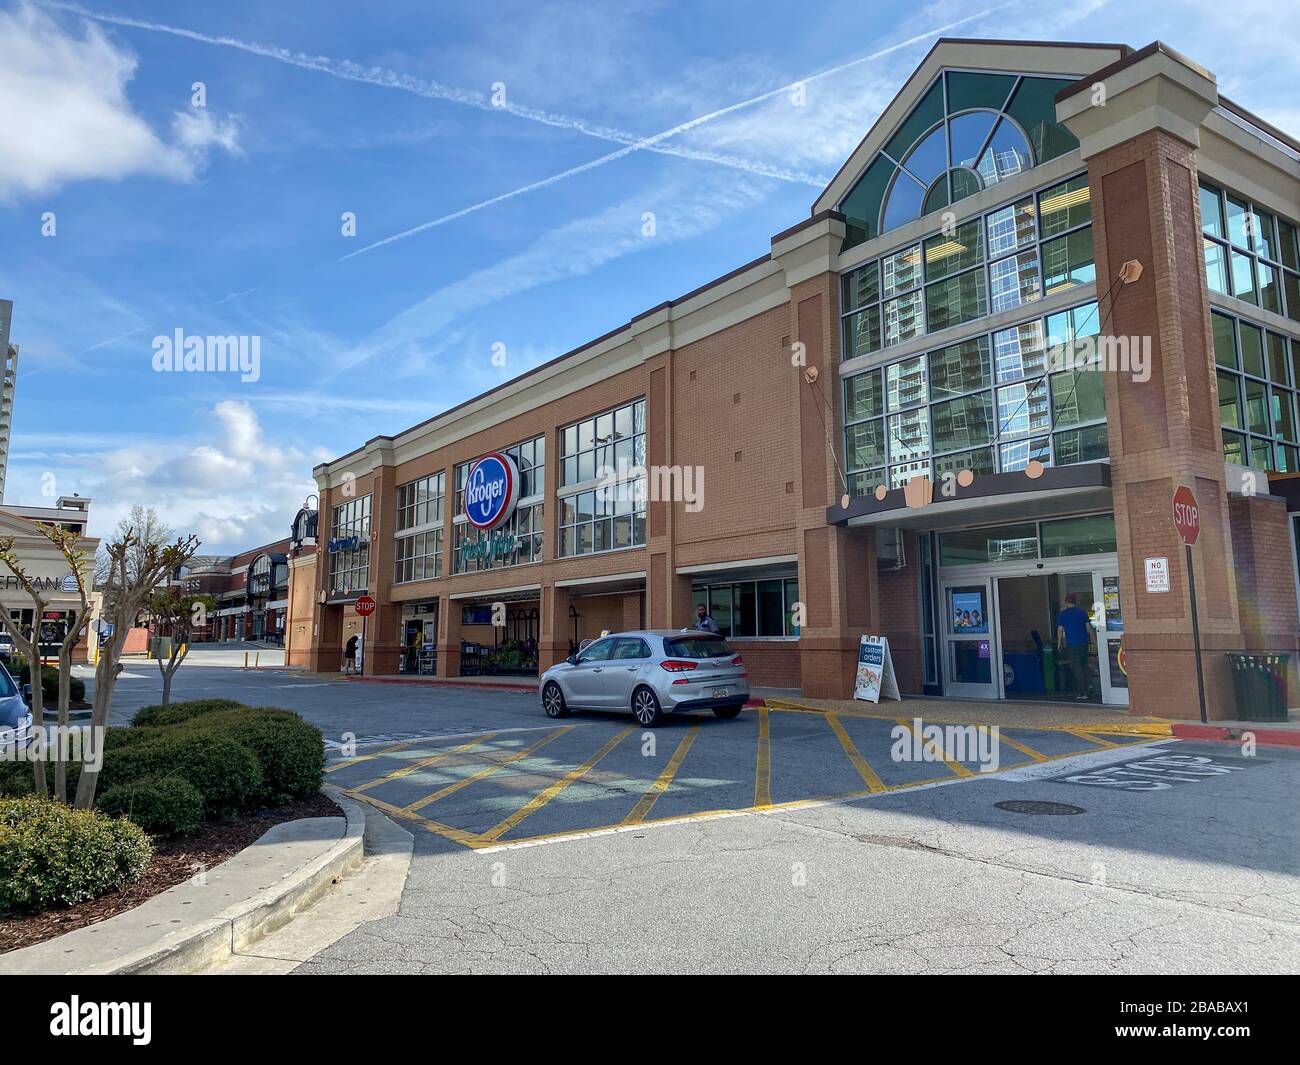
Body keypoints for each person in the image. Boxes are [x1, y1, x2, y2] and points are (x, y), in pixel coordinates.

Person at [1055, 592, 1092, 700]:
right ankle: (1090, 686)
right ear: (1075, 602)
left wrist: (1059, 643)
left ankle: (1082, 692)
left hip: (1072, 644)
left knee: (1077, 669)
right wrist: (1093, 638)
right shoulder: (1082, 612)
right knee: (1085, 666)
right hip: (1083, 643)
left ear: (1066, 602)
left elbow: (1060, 630)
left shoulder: (1063, 614)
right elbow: (1088, 628)